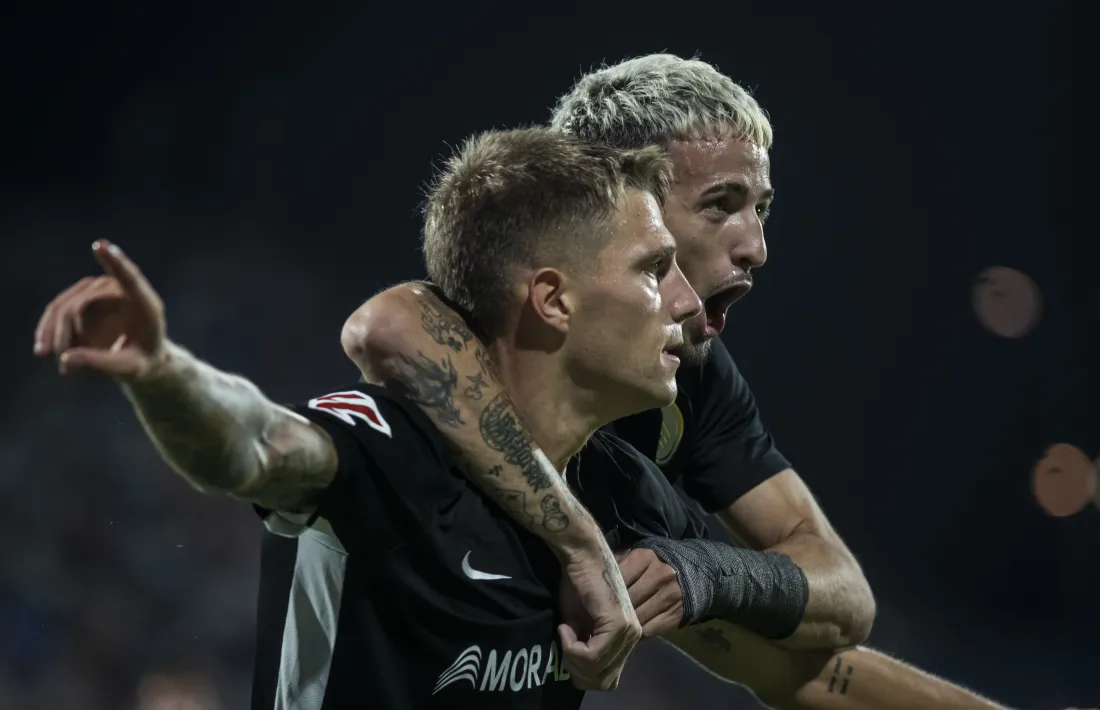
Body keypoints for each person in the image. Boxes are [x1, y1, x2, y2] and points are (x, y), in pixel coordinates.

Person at [35, 129, 819, 708]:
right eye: (655, 271)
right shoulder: (400, 445)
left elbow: (813, 636)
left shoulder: (616, 488)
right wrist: (165, 372)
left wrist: (708, 574)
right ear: (552, 299)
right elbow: (257, 445)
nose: (686, 302)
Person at [340, 55, 1014, 708]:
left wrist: (702, 572)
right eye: (721, 204)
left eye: (762, 208)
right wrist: (579, 540)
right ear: (622, 202)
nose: (757, 246)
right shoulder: (487, 343)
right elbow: (388, 325)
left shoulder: (677, 397)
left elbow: (835, 610)